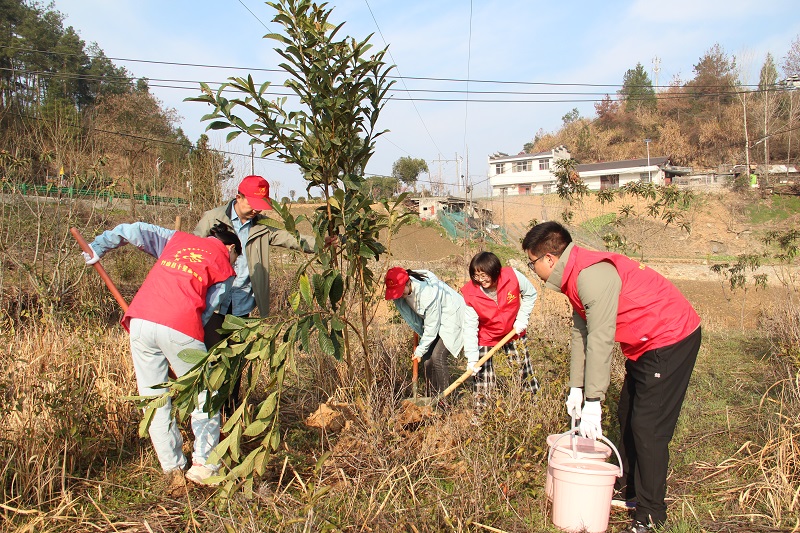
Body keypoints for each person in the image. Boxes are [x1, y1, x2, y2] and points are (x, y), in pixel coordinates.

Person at [521, 221, 701, 533]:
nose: (532, 268)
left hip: (670, 337)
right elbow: (581, 334)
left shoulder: (590, 275)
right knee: (627, 411)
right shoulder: (574, 275)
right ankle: (627, 489)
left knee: (649, 427)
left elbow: (601, 339)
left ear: (549, 259)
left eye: (531, 261)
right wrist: (576, 388)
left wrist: (594, 401)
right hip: (643, 343)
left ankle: (650, 515)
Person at [82, 221, 241, 490]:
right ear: (232, 247)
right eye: (237, 256)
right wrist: (182, 346)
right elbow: (207, 312)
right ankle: (204, 465)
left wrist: (98, 247)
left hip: (140, 320)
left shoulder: (177, 239)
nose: (235, 261)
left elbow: (134, 229)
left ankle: (172, 467)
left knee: (154, 397)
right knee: (205, 393)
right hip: (180, 323)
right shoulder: (225, 266)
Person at [194, 175, 320, 416]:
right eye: (251, 203)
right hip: (214, 306)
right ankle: (208, 413)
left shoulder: (261, 226)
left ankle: (229, 414)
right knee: (212, 361)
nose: (255, 210)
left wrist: (324, 243)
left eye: (259, 206)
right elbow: (192, 251)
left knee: (236, 364)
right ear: (238, 197)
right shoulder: (213, 219)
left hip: (243, 308)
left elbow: (293, 239)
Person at [460, 251, 539, 413]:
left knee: (523, 370)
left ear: (495, 270)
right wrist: (472, 358)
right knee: (482, 377)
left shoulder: (512, 276)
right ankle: (481, 415)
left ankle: (533, 407)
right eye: (476, 276)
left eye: (484, 275)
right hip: (486, 336)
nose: (480, 280)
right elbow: (469, 327)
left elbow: (530, 293)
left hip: (513, 330)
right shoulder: (471, 294)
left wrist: (522, 319)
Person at [384, 267, 464, 396]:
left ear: (408, 282)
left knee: (438, 356)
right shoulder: (403, 289)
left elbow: (432, 327)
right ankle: (431, 397)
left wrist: (420, 350)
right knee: (427, 360)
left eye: (400, 291)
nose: (398, 295)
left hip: (452, 318)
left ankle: (446, 400)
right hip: (434, 320)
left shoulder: (428, 295)